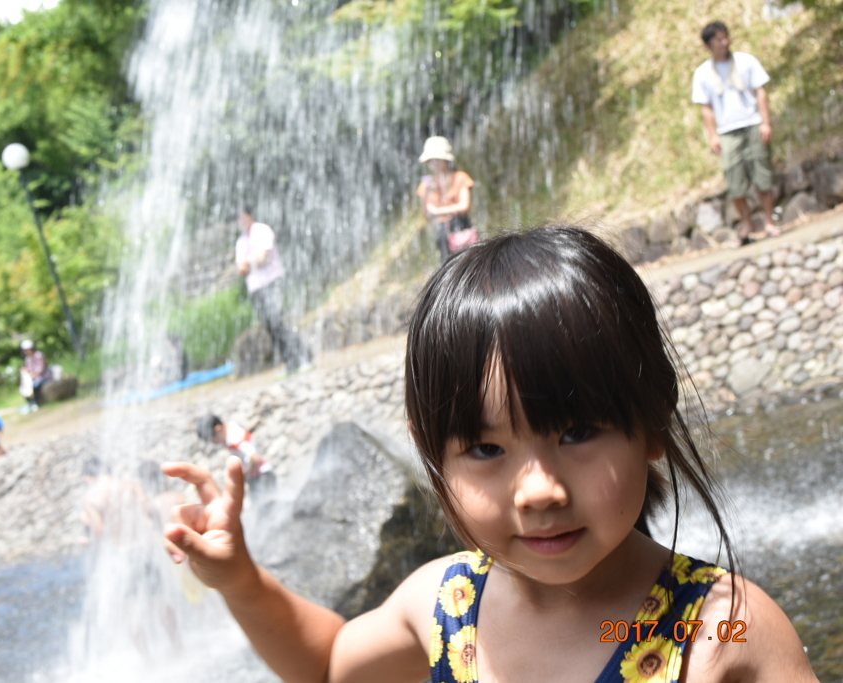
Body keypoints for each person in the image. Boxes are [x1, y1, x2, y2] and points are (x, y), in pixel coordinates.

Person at [161, 227, 817, 682]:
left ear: (649, 424)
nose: (538, 489)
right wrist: (241, 581)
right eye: (484, 448)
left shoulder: (723, 630)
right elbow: (331, 664)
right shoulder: (444, 606)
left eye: (577, 432)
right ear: (435, 460)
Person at [692, 21, 781, 244]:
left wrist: (766, 122)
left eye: (726, 37)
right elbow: (707, 108)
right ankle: (748, 223)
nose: (725, 42)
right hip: (727, 132)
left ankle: (770, 222)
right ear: (708, 45)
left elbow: (761, 92)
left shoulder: (746, 61)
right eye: (719, 39)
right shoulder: (703, 73)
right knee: (735, 182)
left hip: (752, 123)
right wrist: (712, 135)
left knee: (763, 176)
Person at [235, 206, 312, 374]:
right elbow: (241, 269)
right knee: (270, 326)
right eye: (237, 219)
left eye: (242, 217)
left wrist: (249, 262)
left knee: (276, 321)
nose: (239, 222)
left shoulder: (262, 230)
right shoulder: (240, 242)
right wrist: (252, 261)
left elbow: (264, 258)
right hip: (255, 288)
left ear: (250, 216)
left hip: (272, 282)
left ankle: (303, 356)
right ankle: (292, 361)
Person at [416, 136, 476, 263]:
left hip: (461, 227)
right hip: (441, 231)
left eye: (437, 159)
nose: (434, 163)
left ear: (445, 159)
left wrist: (438, 211)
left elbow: (464, 206)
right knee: (447, 266)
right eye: (431, 160)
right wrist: (430, 191)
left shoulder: (460, 178)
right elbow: (427, 213)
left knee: (469, 264)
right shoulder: (427, 184)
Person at [195, 414, 276, 494]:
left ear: (218, 429)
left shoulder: (234, 438)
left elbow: (255, 458)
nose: (214, 443)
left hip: (262, 477)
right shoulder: (232, 433)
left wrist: (244, 475)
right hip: (258, 477)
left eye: (212, 439)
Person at [20, 339, 49, 411]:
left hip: (43, 377)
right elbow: (29, 369)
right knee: (24, 388)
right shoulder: (28, 359)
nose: (26, 352)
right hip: (33, 378)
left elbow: (41, 368)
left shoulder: (39, 355)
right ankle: (31, 403)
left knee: (34, 386)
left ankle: (36, 402)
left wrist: (34, 374)